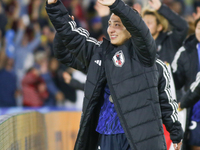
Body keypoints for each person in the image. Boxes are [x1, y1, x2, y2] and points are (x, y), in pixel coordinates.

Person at [46, 0, 182, 149]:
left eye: (117, 25)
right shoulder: (99, 53)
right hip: (105, 136)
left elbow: (166, 102)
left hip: (138, 138)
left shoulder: (146, 57)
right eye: (110, 24)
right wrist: (54, 5)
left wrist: (175, 132)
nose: (110, 29)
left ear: (130, 29)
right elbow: (72, 40)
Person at [172, 18, 200, 150]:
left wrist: (183, 103)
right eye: (199, 28)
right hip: (194, 112)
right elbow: (176, 82)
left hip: (187, 102)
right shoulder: (186, 51)